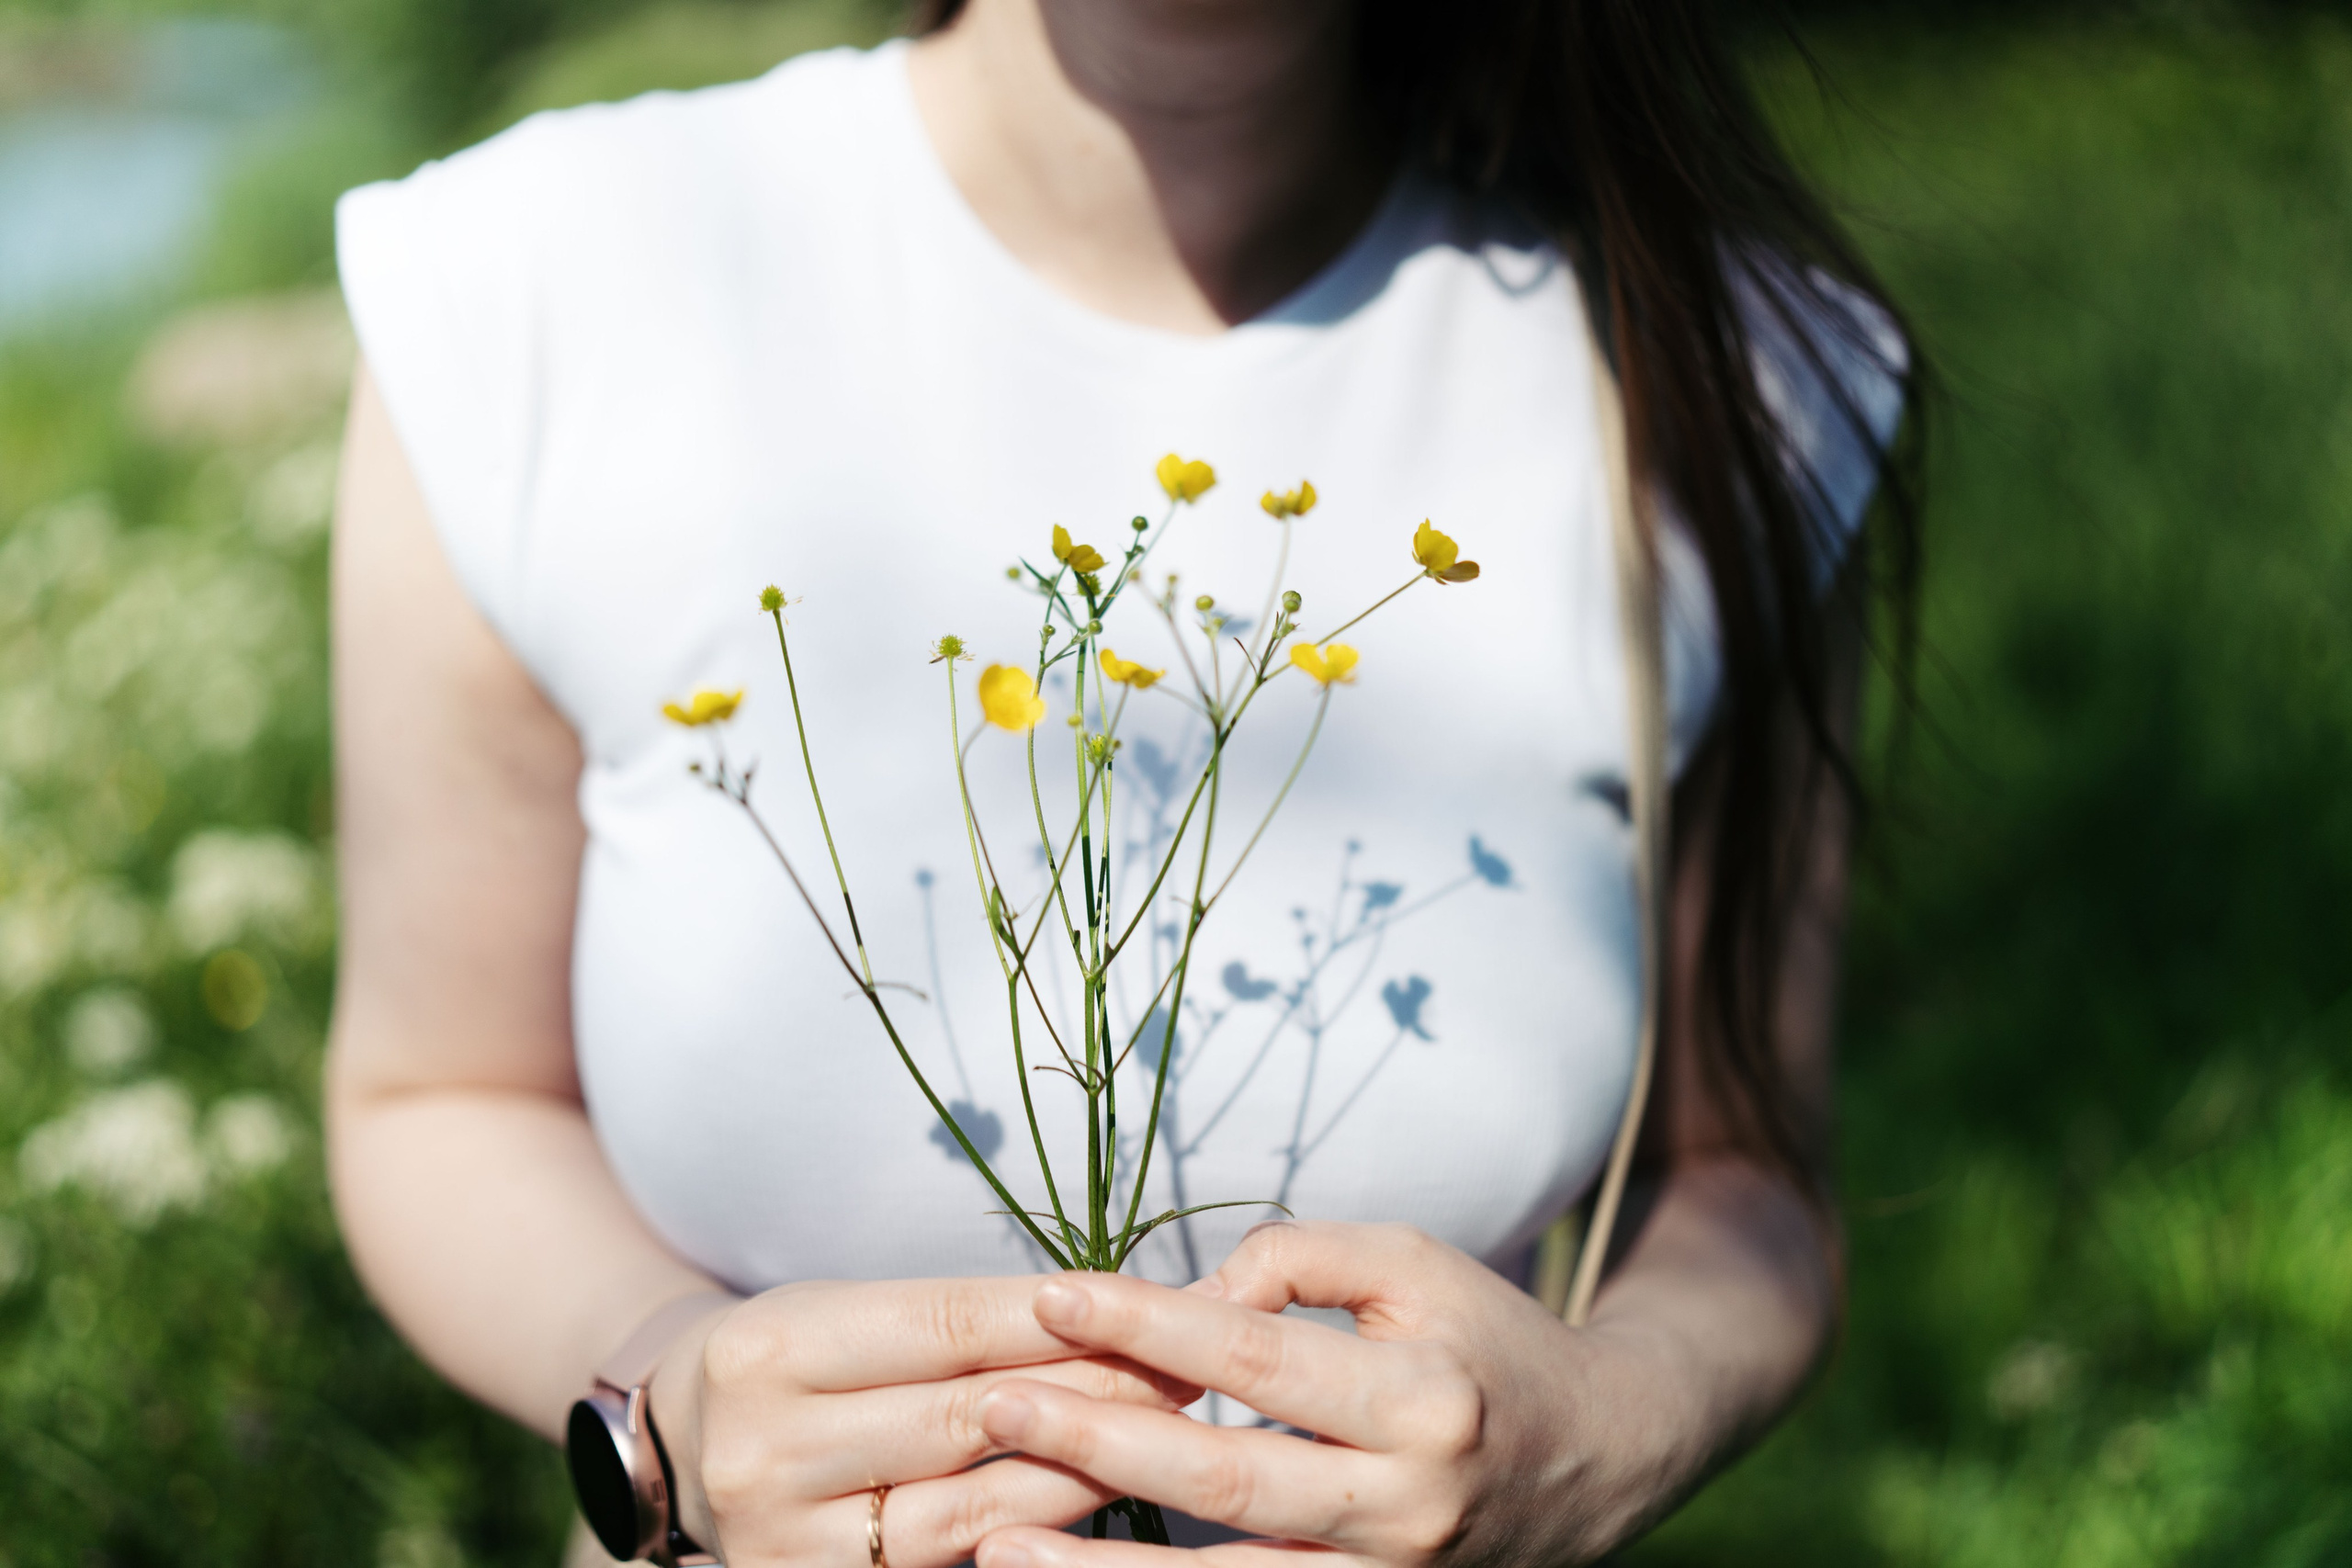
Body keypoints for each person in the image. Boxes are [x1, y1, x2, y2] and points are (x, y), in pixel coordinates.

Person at [327, 1, 1917, 1563]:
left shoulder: (1732, 374)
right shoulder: (524, 286)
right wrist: (668, 1398)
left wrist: (1611, 1422)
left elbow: (1746, 1173)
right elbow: (440, 1095)